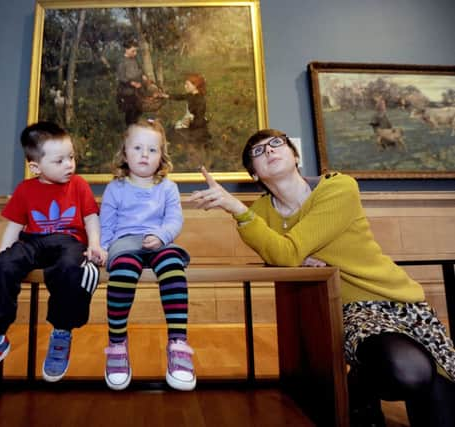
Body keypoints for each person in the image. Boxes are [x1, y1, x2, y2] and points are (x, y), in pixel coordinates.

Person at [188, 128, 455, 426]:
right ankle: (356, 392)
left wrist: (289, 251)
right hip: (348, 310)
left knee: (440, 409)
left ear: (295, 155)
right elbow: (282, 255)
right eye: (258, 151)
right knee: (410, 372)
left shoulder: (338, 187)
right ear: (254, 174)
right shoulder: (259, 213)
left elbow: (284, 253)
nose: (269, 151)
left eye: (277, 143)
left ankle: (357, 393)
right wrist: (247, 216)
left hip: (402, 303)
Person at [0, 121, 106, 392]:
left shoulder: (79, 185)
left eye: (71, 157)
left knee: (68, 269)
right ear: (35, 166)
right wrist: (0, 256)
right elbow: (14, 227)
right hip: (33, 242)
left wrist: (95, 244)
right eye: (60, 160)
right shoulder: (25, 190)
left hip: (69, 242)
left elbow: (90, 217)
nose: (69, 165)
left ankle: (62, 330)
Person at [100, 118, 196, 391]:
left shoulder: (167, 187)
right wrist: (104, 251)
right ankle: (117, 344)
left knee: (173, 266)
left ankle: (178, 343)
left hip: (159, 242)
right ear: (125, 152)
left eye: (152, 150)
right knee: (124, 270)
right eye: (138, 148)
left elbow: (175, 219)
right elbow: (106, 223)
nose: (145, 154)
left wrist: (164, 236)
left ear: (161, 156)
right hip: (125, 244)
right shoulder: (116, 188)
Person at [162, 73, 212, 167]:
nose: (185, 86)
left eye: (187, 84)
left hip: (197, 127)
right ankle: (181, 155)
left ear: (195, 86)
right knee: (172, 130)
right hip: (189, 123)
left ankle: (196, 163)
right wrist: (167, 96)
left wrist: (189, 121)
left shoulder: (200, 100)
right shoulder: (190, 95)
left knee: (193, 145)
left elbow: (199, 117)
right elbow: (180, 97)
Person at [116, 38, 147, 126]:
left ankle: (136, 129)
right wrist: (132, 83)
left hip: (137, 91)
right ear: (126, 49)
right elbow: (121, 78)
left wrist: (143, 75)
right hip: (127, 93)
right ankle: (130, 131)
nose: (135, 53)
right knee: (130, 114)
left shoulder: (135, 59)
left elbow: (140, 69)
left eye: (136, 51)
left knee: (138, 111)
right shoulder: (122, 62)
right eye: (133, 51)